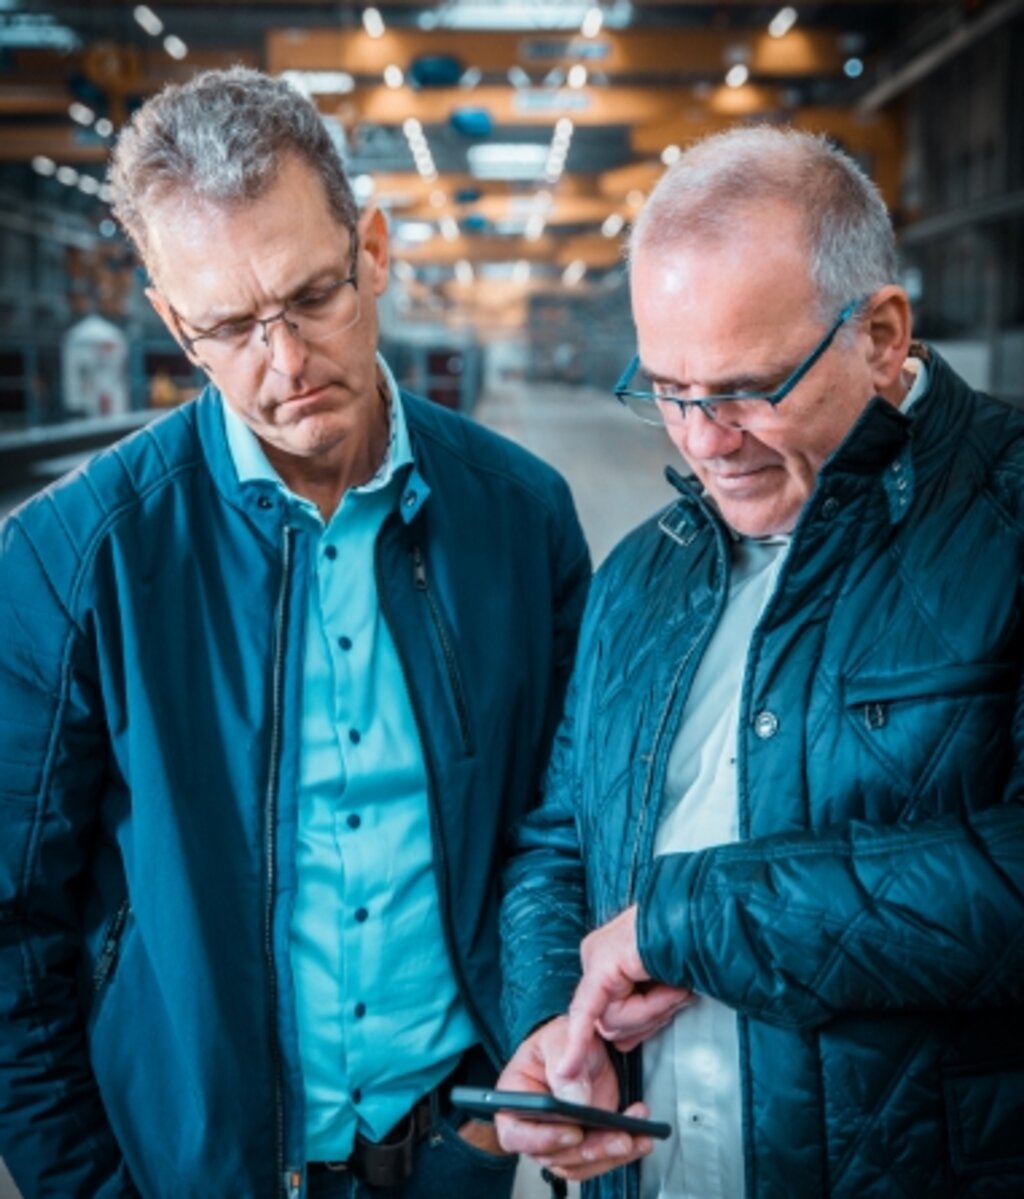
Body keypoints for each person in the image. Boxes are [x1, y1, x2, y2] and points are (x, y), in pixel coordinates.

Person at [0, 67, 590, 1199]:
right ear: (175, 321)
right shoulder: (75, 559)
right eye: (228, 325)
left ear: (371, 248)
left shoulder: (522, 517)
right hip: (199, 1169)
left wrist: (529, 1055)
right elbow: (13, 923)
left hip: (457, 1148)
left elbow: (559, 831)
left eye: (312, 298)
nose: (285, 363)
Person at [496, 125, 1024, 1198]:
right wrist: (556, 1019)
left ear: (879, 335)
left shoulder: (1006, 518)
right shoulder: (642, 575)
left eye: (742, 387)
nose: (701, 440)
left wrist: (691, 918)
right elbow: (562, 838)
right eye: (669, 389)